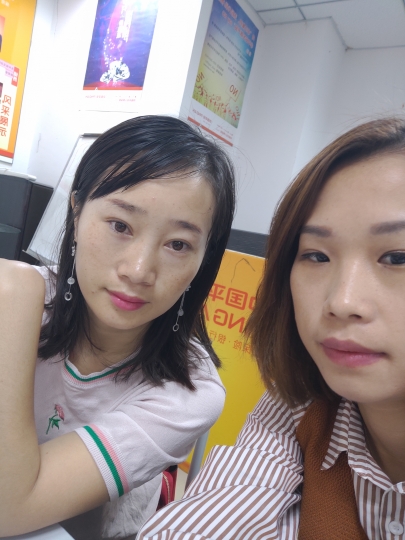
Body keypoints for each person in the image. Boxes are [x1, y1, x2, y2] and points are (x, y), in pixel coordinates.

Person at [138, 117, 405, 539]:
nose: (342, 302)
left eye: (397, 258)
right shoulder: (298, 404)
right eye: (316, 255)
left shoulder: (194, 381)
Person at [0, 115, 235, 539]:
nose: (139, 271)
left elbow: (6, 509)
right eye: (120, 226)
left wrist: (17, 294)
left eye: (178, 244)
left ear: (204, 258)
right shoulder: (20, 299)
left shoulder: (190, 390)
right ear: (76, 211)